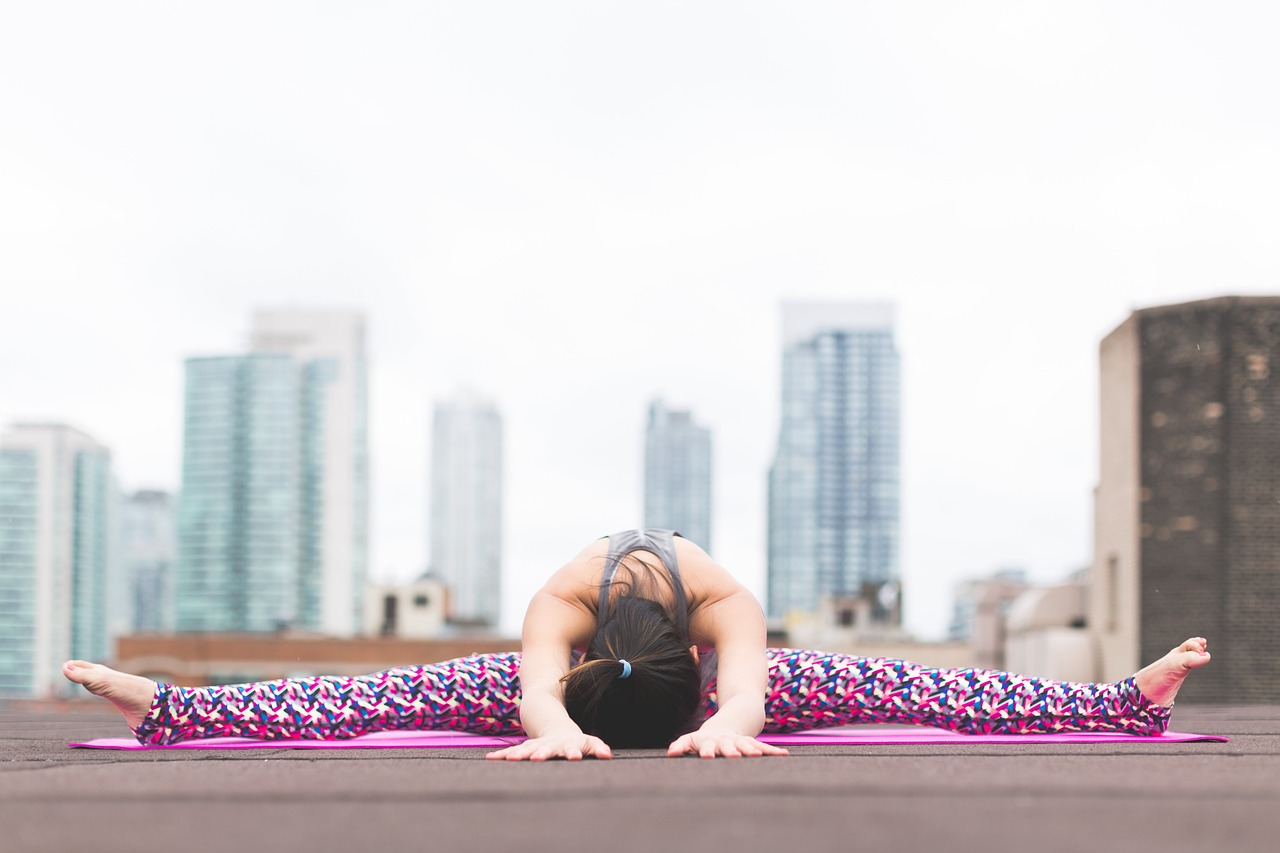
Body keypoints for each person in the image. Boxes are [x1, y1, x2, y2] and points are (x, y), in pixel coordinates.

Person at [63, 529, 1210, 760]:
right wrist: (553, 728)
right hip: (596, 679)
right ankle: (162, 707)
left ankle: (1119, 700)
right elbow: (531, 701)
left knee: (907, 682)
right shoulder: (556, 612)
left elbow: (754, 698)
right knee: (384, 691)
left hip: (700, 683)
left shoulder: (724, 611)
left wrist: (727, 728)